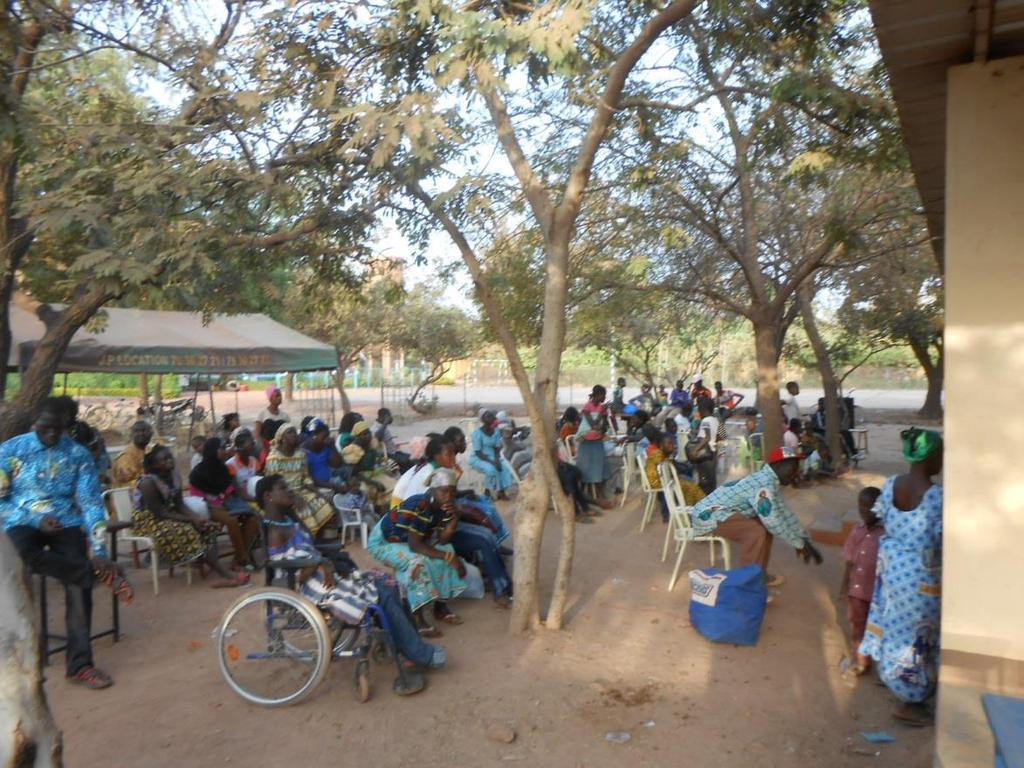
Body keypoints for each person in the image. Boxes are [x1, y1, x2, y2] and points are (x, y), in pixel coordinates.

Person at [1, 398, 133, 689]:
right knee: (22, 554)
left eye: (57, 429)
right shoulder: (10, 451)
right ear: (35, 422)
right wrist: (36, 520)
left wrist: (98, 551)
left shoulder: (79, 455)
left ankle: (80, 665)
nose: (50, 434)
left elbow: (90, 504)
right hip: (22, 519)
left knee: (79, 592)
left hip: (66, 523)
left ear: (66, 427)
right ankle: (88, 573)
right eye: (44, 427)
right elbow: (1, 498)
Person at [257, 474, 447, 671]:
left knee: (389, 587)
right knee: (383, 596)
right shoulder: (275, 533)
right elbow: (291, 577)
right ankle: (419, 654)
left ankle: (408, 650)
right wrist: (319, 563)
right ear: (268, 496)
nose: (289, 490)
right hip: (310, 588)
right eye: (283, 488)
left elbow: (310, 547)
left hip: (323, 578)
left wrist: (322, 559)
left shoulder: (287, 521)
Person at [859, 428, 943, 726]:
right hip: (921, 583)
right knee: (920, 639)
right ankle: (911, 701)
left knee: (894, 629)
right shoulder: (936, 498)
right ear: (931, 458)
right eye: (940, 454)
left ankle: (894, 681)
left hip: (892, 576)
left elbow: (884, 521)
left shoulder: (891, 485)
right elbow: (941, 539)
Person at [689, 446, 823, 584]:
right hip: (710, 515)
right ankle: (748, 585)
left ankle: (759, 575)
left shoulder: (770, 481)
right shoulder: (763, 484)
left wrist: (803, 538)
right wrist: (798, 543)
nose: (796, 472)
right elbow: (773, 521)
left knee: (764, 528)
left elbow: (785, 514)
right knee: (755, 532)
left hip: (722, 512)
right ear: (779, 466)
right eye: (792, 467)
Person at [368, 468, 469, 634]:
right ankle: (418, 619)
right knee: (417, 563)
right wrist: (450, 558)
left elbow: (443, 540)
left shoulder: (445, 508)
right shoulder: (419, 504)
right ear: (433, 489)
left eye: (452, 492)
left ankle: (440, 608)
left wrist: (454, 519)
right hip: (383, 542)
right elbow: (415, 546)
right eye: (444, 491)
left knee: (447, 550)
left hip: (408, 541)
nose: (449, 496)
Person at [133, 445, 249, 588]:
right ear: (155, 465)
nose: (169, 460)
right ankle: (226, 574)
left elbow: (180, 504)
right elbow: (158, 513)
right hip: (150, 519)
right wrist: (191, 520)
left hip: (171, 513)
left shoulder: (174, 476)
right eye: (164, 459)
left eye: (170, 457)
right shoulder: (148, 482)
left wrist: (197, 518)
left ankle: (219, 570)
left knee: (208, 527)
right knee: (187, 530)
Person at [189, 437, 260, 571]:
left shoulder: (223, 468)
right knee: (231, 520)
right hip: (209, 507)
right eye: (222, 449)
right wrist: (219, 503)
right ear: (214, 451)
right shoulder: (197, 473)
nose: (225, 451)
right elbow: (198, 499)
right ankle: (244, 559)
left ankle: (239, 558)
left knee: (252, 518)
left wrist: (229, 500)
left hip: (227, 504)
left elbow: (231, 491)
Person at [839, 486, 883, 675]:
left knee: (876, 627)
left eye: (870, 507)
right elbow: (849, 562)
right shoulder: (856, 531)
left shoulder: (886, 534)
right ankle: (861, 661)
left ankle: (881, 664)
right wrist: (844, 587)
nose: (865, 511)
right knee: (857, 625)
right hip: (856, 592)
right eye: (861, 507)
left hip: (876, 594)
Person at [263, 424, 336, 536]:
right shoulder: (274, 458)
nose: (294, 435)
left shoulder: (300, 455)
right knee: (303, 509)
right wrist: (293, 496)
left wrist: (317, 492)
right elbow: (276, 485)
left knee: (324, 504)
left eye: (294, 432)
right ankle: (308, 539)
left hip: (302, 490)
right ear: (282, 438)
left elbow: (305, 478)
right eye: (290, 432)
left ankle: (320, 539)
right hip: (284, 494)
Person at [646, 432, 705, 523]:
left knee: (689, 483)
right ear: (661, 445)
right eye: (669, 443)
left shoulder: (662, 454)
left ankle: (691, 510)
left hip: (666, 480)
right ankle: (693, 511)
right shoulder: (657, 455)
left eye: (672, 443)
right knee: (690, 485)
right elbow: (666, 471)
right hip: (659, 482)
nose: (672, 446)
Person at [577, 385, 619, 502]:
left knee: (602, 470)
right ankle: (591, 496)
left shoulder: (602, 408)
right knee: (588, 470)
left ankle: (599, 495)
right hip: (586, 443)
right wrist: (601, 412)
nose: (605, 397)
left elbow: (604, 427)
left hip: (597, 442)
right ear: (598, 394)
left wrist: (607, 414)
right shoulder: (587, 407)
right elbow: (593, 424)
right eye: (603, 395)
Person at [469, 411, 515, 500]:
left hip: (492, 455)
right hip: (479, 457)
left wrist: (497, 460)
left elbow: (497, 448)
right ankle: (487, 491)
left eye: (491, 416)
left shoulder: (496, 431)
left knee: (504, 468)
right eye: (488, 416)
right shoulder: (477, 433)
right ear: (482, 419)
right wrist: (492, 462)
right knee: (491, 469)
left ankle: (501, 491)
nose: (491, 417)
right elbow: (478, 452)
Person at [687, 396, 719, 494]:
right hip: (713, 454)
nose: (698, 413)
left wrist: (695, 450)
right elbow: (723, 435)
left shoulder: (705, 421)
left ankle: (703, 502)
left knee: (704, 482)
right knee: (712, 481)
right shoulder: (716, 420)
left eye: (699, 410)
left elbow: (707, 437)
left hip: (705, 457)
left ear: (703, 410)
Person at [111, 420, 154, 489]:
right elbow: (125, 483)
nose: (141, 434)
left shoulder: (149, 450)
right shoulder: (126, 457)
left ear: (151, 433)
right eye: (137, 431)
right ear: (132, 435)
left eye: (144, 431)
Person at [225, 427, 260, 500]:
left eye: (253, 443)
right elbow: (237, 491)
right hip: (241, 499)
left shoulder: (254, 461)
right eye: (251, 443)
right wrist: (257, 499)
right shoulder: (230, 465)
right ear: (239, 447)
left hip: (254, 495)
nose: (254, 445)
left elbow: (258, 483)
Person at [373, 408, 412, 473]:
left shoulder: (382, 426)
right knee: (410, 460)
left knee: (413, 458)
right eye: (389, 416)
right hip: (387, 455)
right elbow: (377, 438)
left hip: (394, 452)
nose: (391, 418)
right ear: (383, 417)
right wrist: (385, 422)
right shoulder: (375, 428)